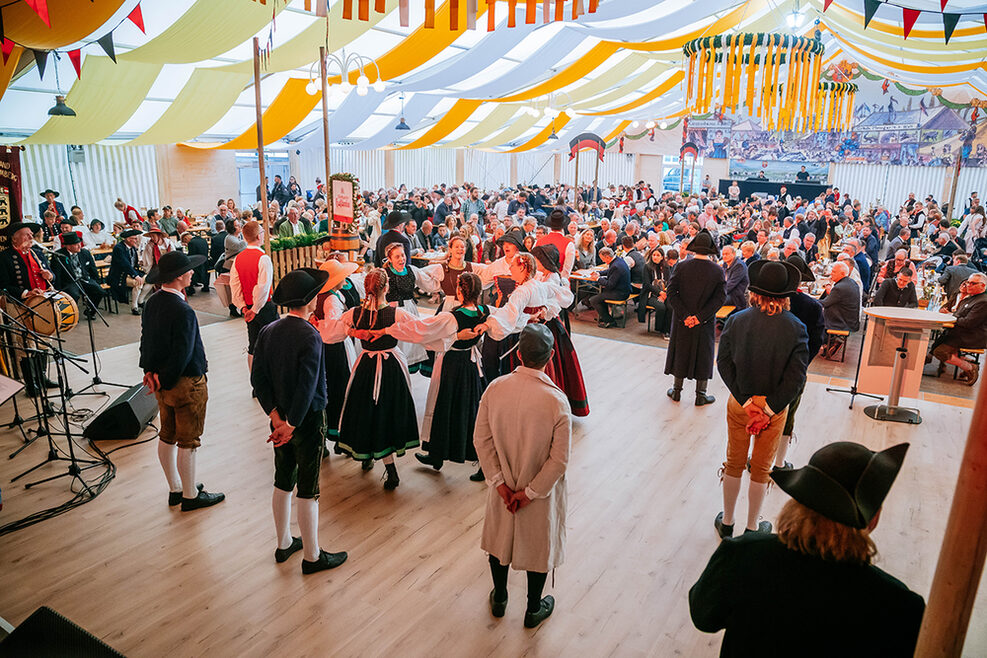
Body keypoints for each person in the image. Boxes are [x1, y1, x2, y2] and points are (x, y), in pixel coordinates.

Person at [690, 441, 924, 657]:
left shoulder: (742, 555)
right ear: (873, 519)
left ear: (798, 498)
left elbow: (703, 617)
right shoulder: (900, 606)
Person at [251, 268, 349, 574]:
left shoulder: (268, 331)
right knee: (309, 487)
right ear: (309, 301)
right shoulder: (311, 335)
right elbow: (308, 386)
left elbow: (258, 380)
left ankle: (283, 543)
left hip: (278, 419)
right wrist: (292, 424)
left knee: (283, 480)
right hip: (305, 421)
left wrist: (277, 418)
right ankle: (312, 555)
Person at [474, 323, 570, 629]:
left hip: (502, 484)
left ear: (517, 354)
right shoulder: (556, 401)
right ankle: (532, 608)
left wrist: (499, 483)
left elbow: (481, 439)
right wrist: (529, 493)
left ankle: (500, 597)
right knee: (538, 545)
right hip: (536, 491)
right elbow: (559, 461)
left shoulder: (495, 388)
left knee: (499, 540)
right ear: (551, 356)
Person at [715, 260, 808, 538]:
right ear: (785, 295)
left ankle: (728, 522)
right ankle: (753, 527)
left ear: (753, 293)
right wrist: (766, 409)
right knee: (762, 467)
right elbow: (796, 378)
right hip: (775, 409)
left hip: (740, 404)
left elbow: (724, 365)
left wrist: (748, 403)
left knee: (734, 461)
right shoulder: (797, 327)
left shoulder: (736, 320)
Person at [139, 251, 225, 512]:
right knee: (189, 440)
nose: (191, 273)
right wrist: (165, 378)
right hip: (186, 382)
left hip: (162, 382)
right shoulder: (183, 309)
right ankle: (190, 496)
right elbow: (183, 353)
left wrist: (152, 374)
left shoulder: (152, 302)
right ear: (177, 277)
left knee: (167, 434)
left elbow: (146, 342)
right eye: (187, 271)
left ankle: (176, 488)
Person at [385, 272, 490, 475]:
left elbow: (421, 330)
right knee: (469, 410)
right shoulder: (483, 312)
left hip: (453, 365)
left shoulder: (452, 318)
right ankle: (442, 454)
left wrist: (391, 329)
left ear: (460, 291)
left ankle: (445, 454)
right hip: (471, 365)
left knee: (444, 406)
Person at [336, 268, 420, 489]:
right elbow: (418, 329)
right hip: (391, 366)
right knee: (387, 412)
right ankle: (390, 470)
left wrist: (355, 333)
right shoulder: (395, 314)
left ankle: (366, 455)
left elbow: (335, 329)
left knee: (366, 410)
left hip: (366, 365)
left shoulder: (355, 313)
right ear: (387, 288)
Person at [774, 255, 826, 470]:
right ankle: (778, 463)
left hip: (766, 366)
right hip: (796, 369)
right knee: (788, 415)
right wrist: (802, 364)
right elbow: (817, 341)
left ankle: (757, 457)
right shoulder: (812, 306)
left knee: (763, 413)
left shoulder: (768, 301)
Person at [665, 230, 726, 405]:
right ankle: (701, 395)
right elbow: (719, 298)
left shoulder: (682, 266)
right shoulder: (717, 270)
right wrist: (700, 317)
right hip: (704, 321)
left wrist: (685, 315)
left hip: (681, 319)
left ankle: (676, 391)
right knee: (704, 353)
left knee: (681, 350)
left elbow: (671, 292)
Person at [311, 258, 361, 446]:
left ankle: (326, 435)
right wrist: (349, 324)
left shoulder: (325, 295)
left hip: (325, 345)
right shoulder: (331, 299)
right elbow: (332, 325)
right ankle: (339, 431)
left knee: (329, 388)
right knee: (339, 388)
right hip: (334, 347)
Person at [230, 220, 279, 372]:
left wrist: (243, 307)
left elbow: (235, 285)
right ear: (258, 237)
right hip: (263, 306)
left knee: (254, 344)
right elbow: (263, 287)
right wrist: (256, 309)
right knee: (273, 342)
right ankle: (272, 376)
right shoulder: (263, 258)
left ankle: (255, 381)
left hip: (249, 307)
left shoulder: (238, 258)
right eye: (263, 233)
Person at [928, 272, 987, 385]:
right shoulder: (970, 298)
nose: (969, 285)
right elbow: (959, 316)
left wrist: (952, 316)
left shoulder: (983, 302)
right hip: (959, 332)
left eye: (973, 283)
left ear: (983, 286)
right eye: (968, 282)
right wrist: (953, 315)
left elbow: (968, 323)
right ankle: (927, 357)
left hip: (971, 336)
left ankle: (970, 367)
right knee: (939, 341)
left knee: (940, 352)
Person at [52, 232, 103, 317]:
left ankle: (90, 311)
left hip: (84, 278)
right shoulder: (59, 255)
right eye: (76, 244)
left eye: (79, 243)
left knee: (99, 291)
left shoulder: (85, 253)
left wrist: (96, 282)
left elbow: (92, 269)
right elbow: (57, 275)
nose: (79, 246)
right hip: (70, 281)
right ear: (68, 246)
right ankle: (72, 316)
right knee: (74, 294)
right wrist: (58, 290)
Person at [588, 247, 631, 328]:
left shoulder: (616, 266)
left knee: (593, 300)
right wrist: (599, 273)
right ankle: (604, 317)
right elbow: (610, 271)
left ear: (607, 257)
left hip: (620, 293)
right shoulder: (618, 260)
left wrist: (597, 279)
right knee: (600, 296)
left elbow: (609, 284)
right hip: (623, 289)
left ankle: (609, 321)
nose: (603, 261)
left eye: (603, 259)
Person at [107, 228, 146, 315]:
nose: (136, 240)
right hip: (119, 275)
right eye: (134, 239)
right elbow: (124, 264)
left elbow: (133, 263)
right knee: (138, 282)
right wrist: (135, 275)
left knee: (150, 279)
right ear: (128, 239)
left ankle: (140, 300)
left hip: (130, 273)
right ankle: (134, 307)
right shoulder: (119, 248)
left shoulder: (132, 248)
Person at [819, 261, 861, 333]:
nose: (831, 274)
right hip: (851, 321)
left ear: (842, 274)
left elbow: (824, 303)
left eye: (834, 272)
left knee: (813, 315)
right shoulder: (851, 282)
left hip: (841, 323)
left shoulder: (839, 288)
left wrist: (810, 299)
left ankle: (820, 342)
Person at [721, 245, 749, 311]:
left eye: (727, 254)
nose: (724, 256)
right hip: (727, 293)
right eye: (723, 254)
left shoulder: (739, 266)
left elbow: (730, 285)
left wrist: (717, 293)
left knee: (714, 301)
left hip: (736, 297)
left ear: (733, 254)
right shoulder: (725, 264)